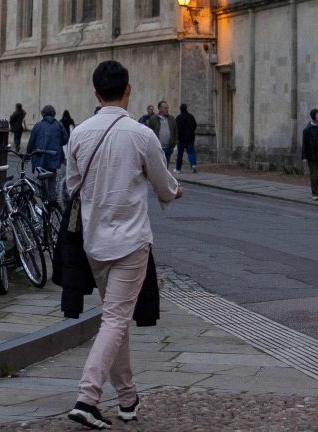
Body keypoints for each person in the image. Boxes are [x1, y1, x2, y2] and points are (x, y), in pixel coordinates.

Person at [63, 61, 181, 428]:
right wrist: (175, 192)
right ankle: (87, 396)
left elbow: (70, 187)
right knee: (116, 319)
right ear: (129, 90)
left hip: (93, 242)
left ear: (96, 94)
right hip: (131, 241)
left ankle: (128, 398)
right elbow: (163, 185)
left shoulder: (79, 134)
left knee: (116, 319)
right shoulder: (141, 134)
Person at [28, 104, 66, 179]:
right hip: (54, 157)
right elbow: (65, 139)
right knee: (52, 180)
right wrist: (58, 144)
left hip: (40, 157)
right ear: (53, 113)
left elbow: (31, 141)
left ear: (43, 114)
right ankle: (51, 191)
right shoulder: (59, 125)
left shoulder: (38, 125)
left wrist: (28, 154)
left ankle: (41, 190)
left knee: (40, 180)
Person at [173, 104, 199, 173]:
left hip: (181, 139)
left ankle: (178, 169)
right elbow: (195, 125)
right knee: (191, 152)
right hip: (190, 138)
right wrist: (191, 132)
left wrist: (177, 137)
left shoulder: (178, 118)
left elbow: (176, 129)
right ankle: (193, 165)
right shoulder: (191, 116)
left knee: (180, 154)